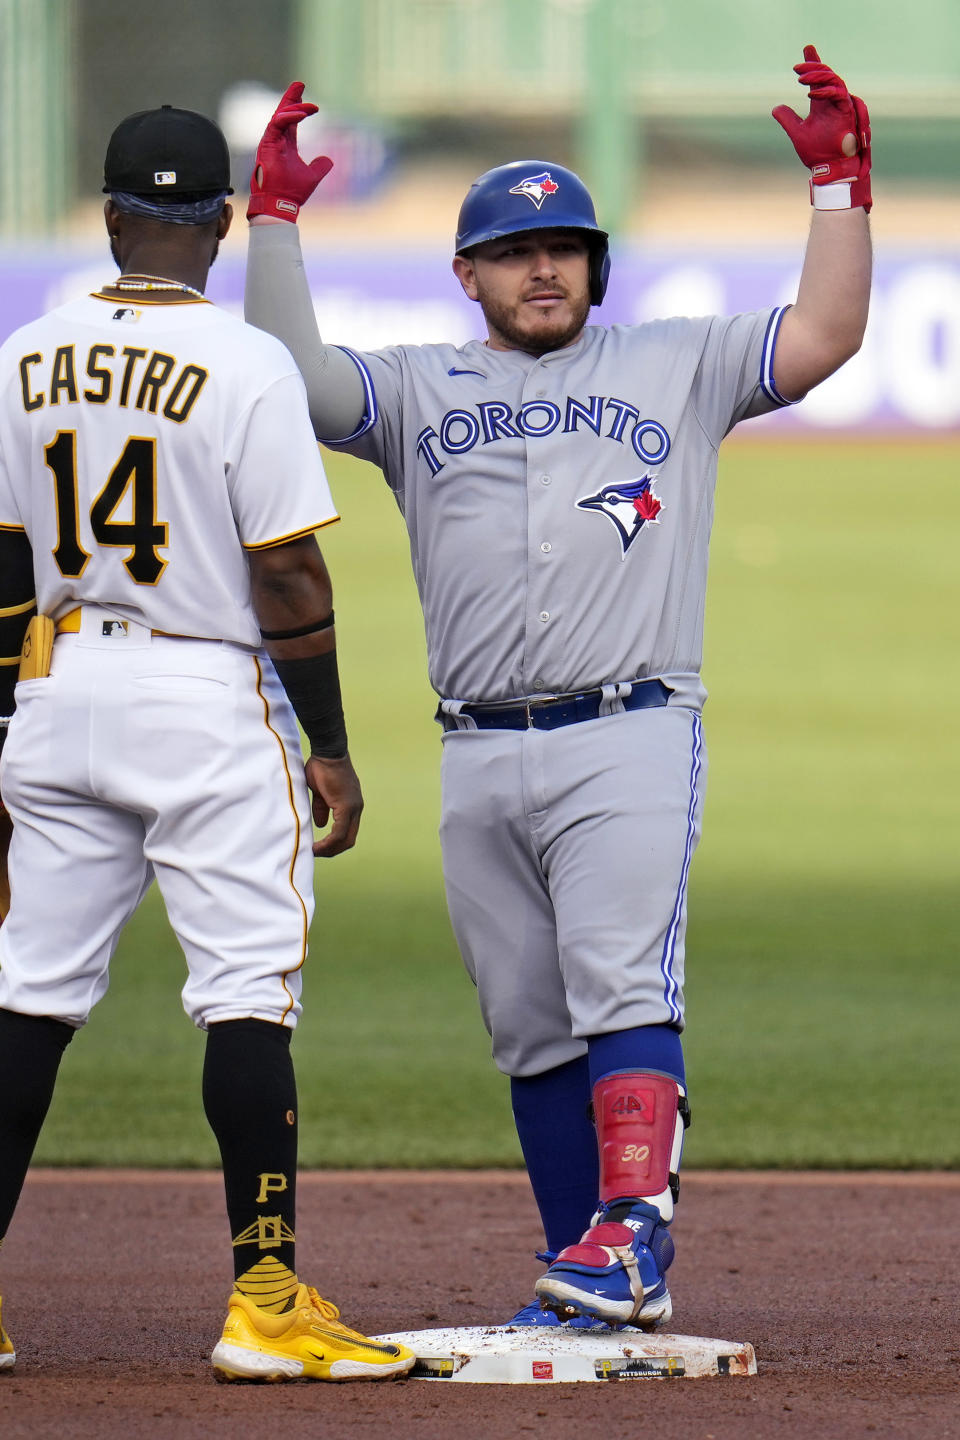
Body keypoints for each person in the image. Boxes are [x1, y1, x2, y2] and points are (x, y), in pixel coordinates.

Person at [242, 46, 872, 1331]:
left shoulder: (676, 365)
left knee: (622, 985)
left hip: (628, 731)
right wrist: (275, 226)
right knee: (530, 1028)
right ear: (466, 273)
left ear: (596, 266)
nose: (546, 268)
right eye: (518, 252)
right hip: (475, 753)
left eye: (568, 248)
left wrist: (839, 197)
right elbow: (295, 381)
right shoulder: (419, 387)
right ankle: (584, 1274)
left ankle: (635, 1234)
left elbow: (825, 335)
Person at [0, 103, 414, 1383]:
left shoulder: (23, 354)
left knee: (27, 993)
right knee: (244, 993)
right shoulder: (244, 364)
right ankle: (266, 1302)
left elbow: (7, 561)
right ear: (222, 226)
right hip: (201, 698)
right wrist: (331, 744)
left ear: (111, 212)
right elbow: (287, 578)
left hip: (55, 690)